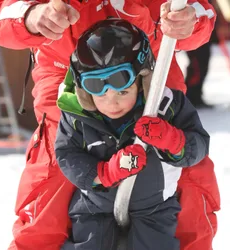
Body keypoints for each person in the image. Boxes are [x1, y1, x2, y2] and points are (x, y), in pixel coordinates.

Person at [0, 1, 220, 249]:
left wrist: (188, 21)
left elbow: (201, 13)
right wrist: (31, 16)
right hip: (70, 81)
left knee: (190, 180)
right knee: (52, 183)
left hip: (151, 74)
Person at [55, 18, 211, 250]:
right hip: (94, 208)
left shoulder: (166, 106)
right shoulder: (76, 117)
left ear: (142, 79)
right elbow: (67, 155)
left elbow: (199, 145)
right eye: (100, 94)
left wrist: (172, 140)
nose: (112, 102)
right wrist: (103, 173)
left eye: (123, 91)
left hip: (154, 208)